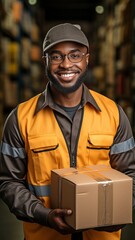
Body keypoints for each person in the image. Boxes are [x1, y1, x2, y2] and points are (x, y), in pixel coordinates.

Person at [0, 23, 135, 240]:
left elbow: (130, 174)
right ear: (45, 61)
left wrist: (118, 210)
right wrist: (43, 214)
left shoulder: (113, 114)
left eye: (75, 55)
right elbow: (8, 182)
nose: (66, 64)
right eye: (56, 56)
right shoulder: (20, 118)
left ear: (87, 59)